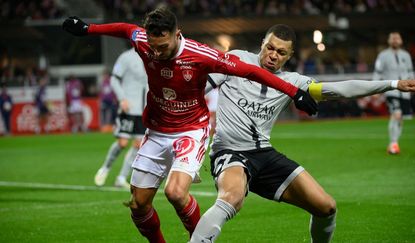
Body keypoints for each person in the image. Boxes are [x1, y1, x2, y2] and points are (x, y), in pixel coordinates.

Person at [62, 8, 318, 243]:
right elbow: (125, 29)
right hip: (157, 130)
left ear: (177, 35)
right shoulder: (144, 42)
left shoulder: (201, 55)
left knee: (175, 192)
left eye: (163, 46)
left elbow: (250, 71)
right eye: (153, 47)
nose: (157, 53)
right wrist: (88, 29)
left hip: (190, 129)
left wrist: (294, 92)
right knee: (139, 204)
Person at [190, 24, 415, 243]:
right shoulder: (236, 60)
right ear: (263, 43)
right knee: (232, 197)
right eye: (270, 48)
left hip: (264, 154)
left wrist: (393, 84)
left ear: (289, 56)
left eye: (281, 53)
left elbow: (340, 89)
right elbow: (195, 89)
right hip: (229, 152)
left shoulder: (292, 81)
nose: (273, 55)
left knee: (326, 206)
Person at [94, 48, 148, 188]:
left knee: (138, 145)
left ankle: (121, 177)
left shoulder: (153, 56)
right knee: (122, 142)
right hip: (128, 107)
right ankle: (105, 168)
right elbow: (114, 79)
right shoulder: (126, 57)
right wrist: (122, 98)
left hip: (144, 109)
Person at [373, 31, 415, 155]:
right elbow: (377, 72)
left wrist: (413, 85)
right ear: (389, 41)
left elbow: (410, 72)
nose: (395, 40)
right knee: (396, 114)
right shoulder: (383, 55)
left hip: (405, 92)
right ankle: (393, 144)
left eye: (397, 38)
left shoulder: (406, 55)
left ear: (401, 41)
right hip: (392, 90)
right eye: (393, 38)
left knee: (401, 118)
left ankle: (395, 143)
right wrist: (374, 87)